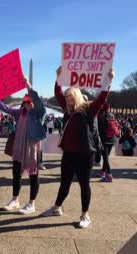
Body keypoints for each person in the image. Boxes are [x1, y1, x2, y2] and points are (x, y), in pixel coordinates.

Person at [43, 67, 114, 229]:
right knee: (64, 183)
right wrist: (58, 78)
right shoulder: (67, 111)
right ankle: (56, 208)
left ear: (76, 95)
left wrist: (108, 81)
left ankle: (85, 215)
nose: (68, 99)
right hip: (69, 154)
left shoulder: (90, 110)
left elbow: (102, 98)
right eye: (67, 97)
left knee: (84, 184)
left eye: (70, 96)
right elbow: (58, 93)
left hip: (84, 154)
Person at [0, 77, 46, 215]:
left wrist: (28, 86)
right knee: (16, 174)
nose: (28, 104)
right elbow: (7, 109)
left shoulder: (38, 114)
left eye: (30, 101)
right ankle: (15, 200)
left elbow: (39, 104)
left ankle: (31, 203)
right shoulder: (20, 113)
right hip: (19, 148)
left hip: (32, 149)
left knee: (33, 175)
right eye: (25, 102)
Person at [96, 103, 118, 182]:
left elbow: (99, 129)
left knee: (105, 158)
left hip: (104, 140)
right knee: (106, 157)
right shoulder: (112, 115)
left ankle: (109, 175)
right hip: (112, 139)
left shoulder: (101, 115)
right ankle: (102, 172)